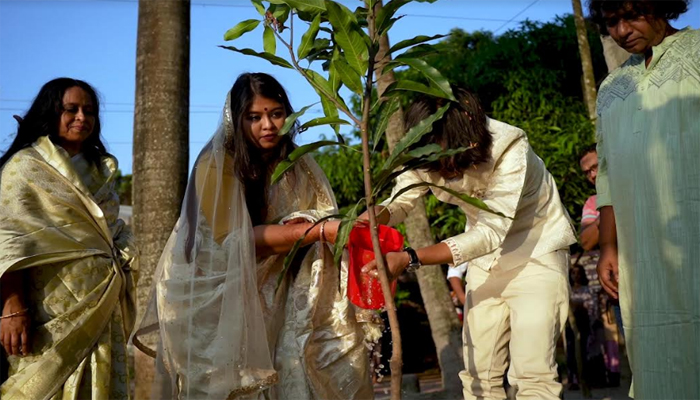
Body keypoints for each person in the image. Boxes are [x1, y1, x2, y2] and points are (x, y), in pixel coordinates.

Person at [132, 72, 373, 400]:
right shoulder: (216, 165)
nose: (268, 125)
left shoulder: (299, 165)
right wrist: (318, 230)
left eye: (275, 114)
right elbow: (234, 241)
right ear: (237, 120)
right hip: (218, 300)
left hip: (284, 295)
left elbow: (319, 217)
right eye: (254, 117)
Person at [360, 87, 577, 399]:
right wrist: (372, 216)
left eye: (443, 155)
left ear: (468, 133)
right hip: (486, 262)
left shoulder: (510, 147)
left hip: (537, 254)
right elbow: (400, 201)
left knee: (532, 374)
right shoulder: (427, 146)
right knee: (479, 376)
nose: (439, 168)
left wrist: (410, 258)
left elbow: (490, 231)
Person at [0, 78, 138, 399]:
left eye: (89, 111)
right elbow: (7, 240)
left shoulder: (101, 171)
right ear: (51, 112)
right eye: (71, 109)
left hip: (101, 305)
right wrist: (10, 307)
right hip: (47, 310)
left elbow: (113, 234)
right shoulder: (24, 168)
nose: (81, 117)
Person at [590, 0, 700, 397]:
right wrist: (608, 245)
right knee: (652, 347)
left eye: (631, 16)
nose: (622, 31)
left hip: (692, 228)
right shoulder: (611, 89)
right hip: (640, 248)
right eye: (612, 22)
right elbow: (605, 173)